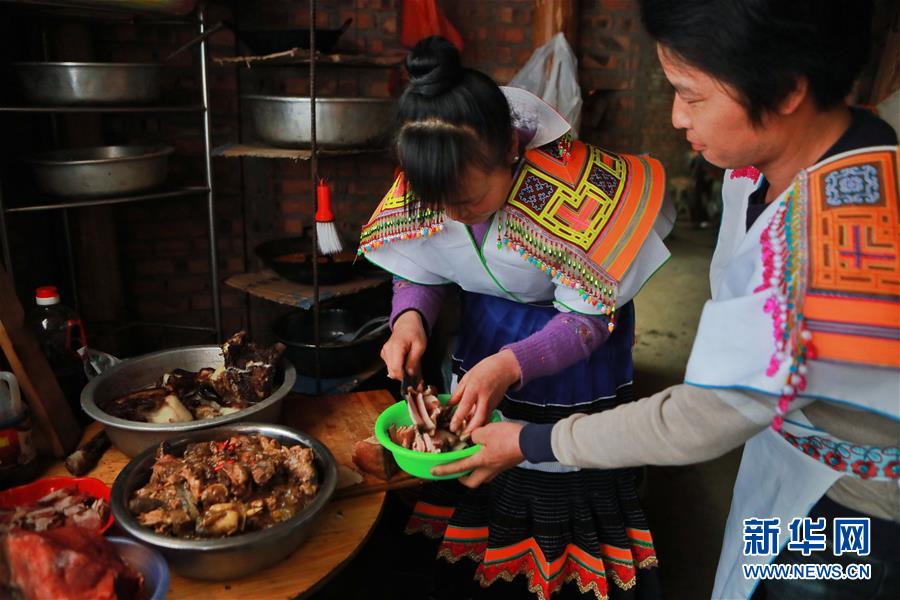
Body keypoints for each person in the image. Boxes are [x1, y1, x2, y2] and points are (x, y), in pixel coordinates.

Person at [435, 2, 900, 599]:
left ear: (786, 89)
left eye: (692, 95)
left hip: (851, 513)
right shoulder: (811, 152)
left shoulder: (834, 247)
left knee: (792, 585)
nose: (677, 116)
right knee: (748, 567)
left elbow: (699, 418)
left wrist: (529, 442)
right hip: (787, 451)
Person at [359, 36, 673, 600]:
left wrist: (509, 365)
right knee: (480, 466)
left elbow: (588, 321)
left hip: (571, 352)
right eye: (441, 205)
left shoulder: (578, 186)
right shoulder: (431, 171)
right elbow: (420, 264)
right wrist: (409, 319)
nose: (454, 216)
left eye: (469, 202)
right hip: (485, 336)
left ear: (507, 148)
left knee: (557, 473)